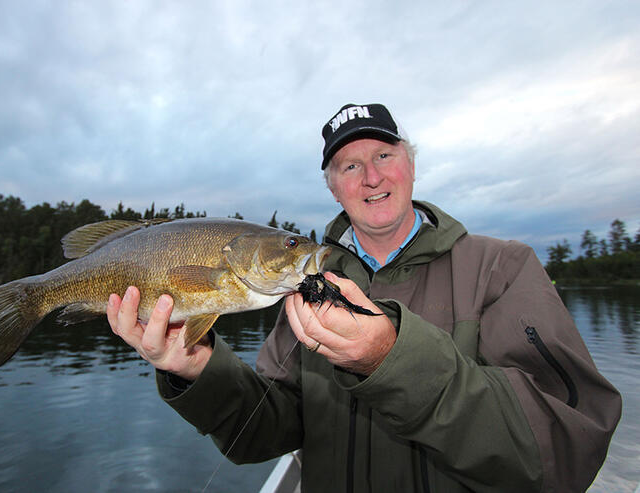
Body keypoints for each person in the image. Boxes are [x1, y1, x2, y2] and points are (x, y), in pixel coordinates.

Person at [107, 103, 622, 492]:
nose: (371, 176)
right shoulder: (305, 287)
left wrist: (392, 359)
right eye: (349, 167)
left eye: (383, 155)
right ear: (334, 188)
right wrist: (197, 368)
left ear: (411, 165)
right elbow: (266, 432)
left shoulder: (502, 268)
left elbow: (568, 448)